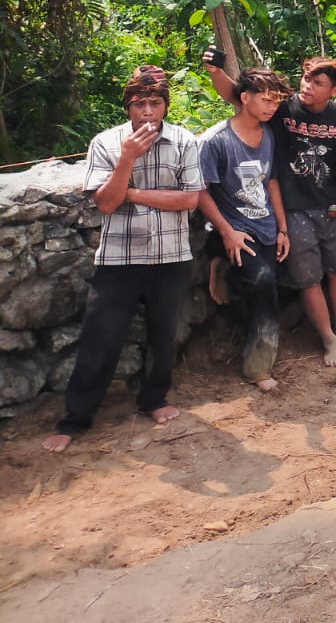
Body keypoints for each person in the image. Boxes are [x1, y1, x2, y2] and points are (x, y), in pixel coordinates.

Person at [43, 66, 204, 452]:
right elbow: (105, 202)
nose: (148, 111)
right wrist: (127, 159)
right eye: (140, 103)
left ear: (166, 105)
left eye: (156, 102)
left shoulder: (184, 141)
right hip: (119, 257)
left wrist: (133, 194)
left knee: (163, 335)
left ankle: (155, 400)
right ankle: (75, 419)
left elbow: (189, 200)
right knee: (101, 338)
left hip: (171, 255)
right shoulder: (106, 142)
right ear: (128, 106)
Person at [204, 52, 336, 368]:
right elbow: (239, 95)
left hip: (332, 206)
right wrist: (214, 71)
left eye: (318, 83)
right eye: (306, 79)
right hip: (294, 208)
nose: (308, 87)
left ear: (334, 90)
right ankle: (328, 340)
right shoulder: (281, 109)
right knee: (308, 278)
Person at [196, 66, 294, 389]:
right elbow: (201, 192)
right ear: (244, 98)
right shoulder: (215, 141)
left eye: (276, 102)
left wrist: (282, 228)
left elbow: (273, 182)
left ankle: (227, 273)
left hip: (265, 226)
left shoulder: (269, 137)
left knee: (272, 282)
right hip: (232, 229)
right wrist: (226, 232)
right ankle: (258, 368)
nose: (271, 107)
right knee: (264, 283)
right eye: (266, 100)